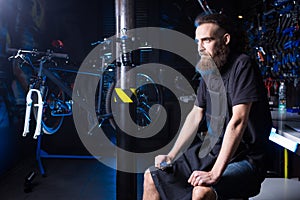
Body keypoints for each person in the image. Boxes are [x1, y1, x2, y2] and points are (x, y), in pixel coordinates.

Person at [143, 13, 272, 200]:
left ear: (225, 40)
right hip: (213, 152)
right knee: (152, 175)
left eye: (207, 40)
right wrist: (171, 155)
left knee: (201, 191)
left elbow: (238, 121)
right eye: (198, 41)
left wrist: (215, 173)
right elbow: (196, 114)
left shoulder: (242, 65)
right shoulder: (210, 70)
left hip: (247, 158)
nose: (200, 47)